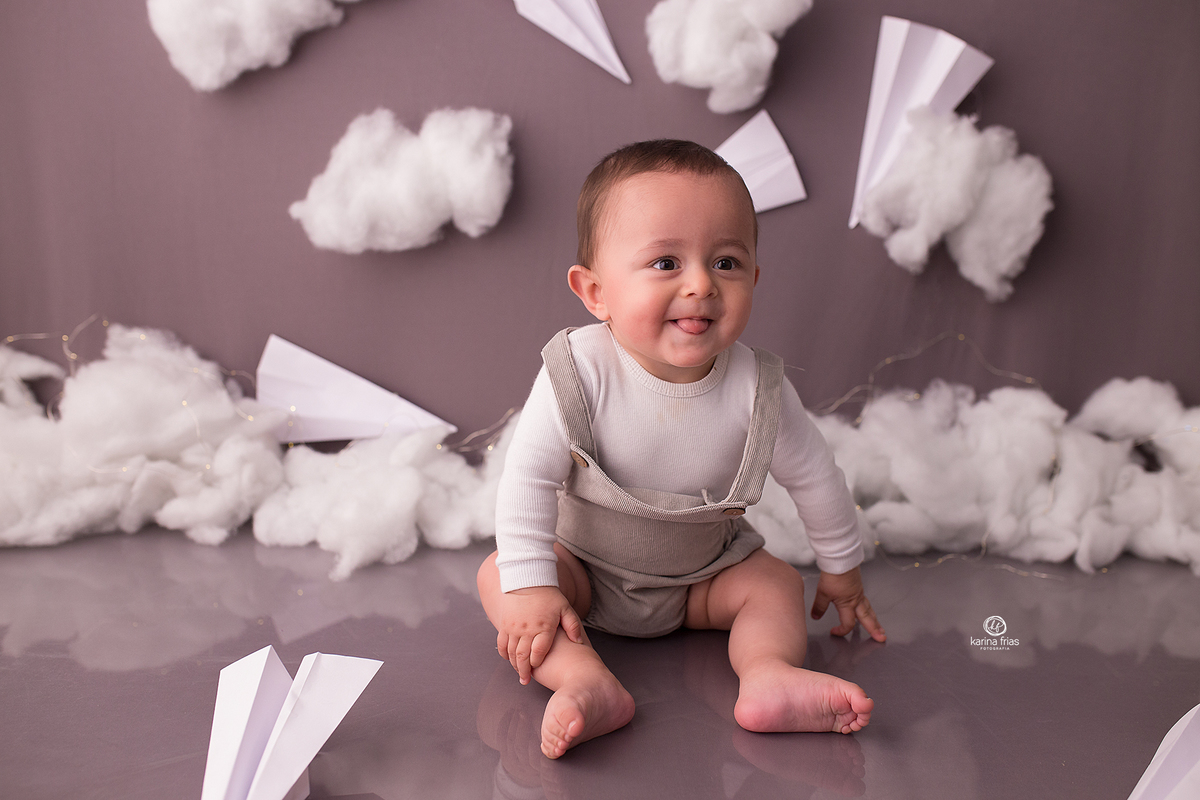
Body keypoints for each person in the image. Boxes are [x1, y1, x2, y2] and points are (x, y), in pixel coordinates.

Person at [477, 139, 886, 760]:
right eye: (666, 262)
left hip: (703, 580)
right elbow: (528, 476)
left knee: (776, 585)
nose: (701, 284)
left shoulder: (757, 387)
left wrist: (842, 568)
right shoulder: (580, 370)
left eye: (725, 262)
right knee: (502, 576)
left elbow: (815, 476)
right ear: (595, 292)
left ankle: (768, 673)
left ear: (754, 278)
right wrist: (535, 587)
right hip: (582, 572)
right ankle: (585, 680)